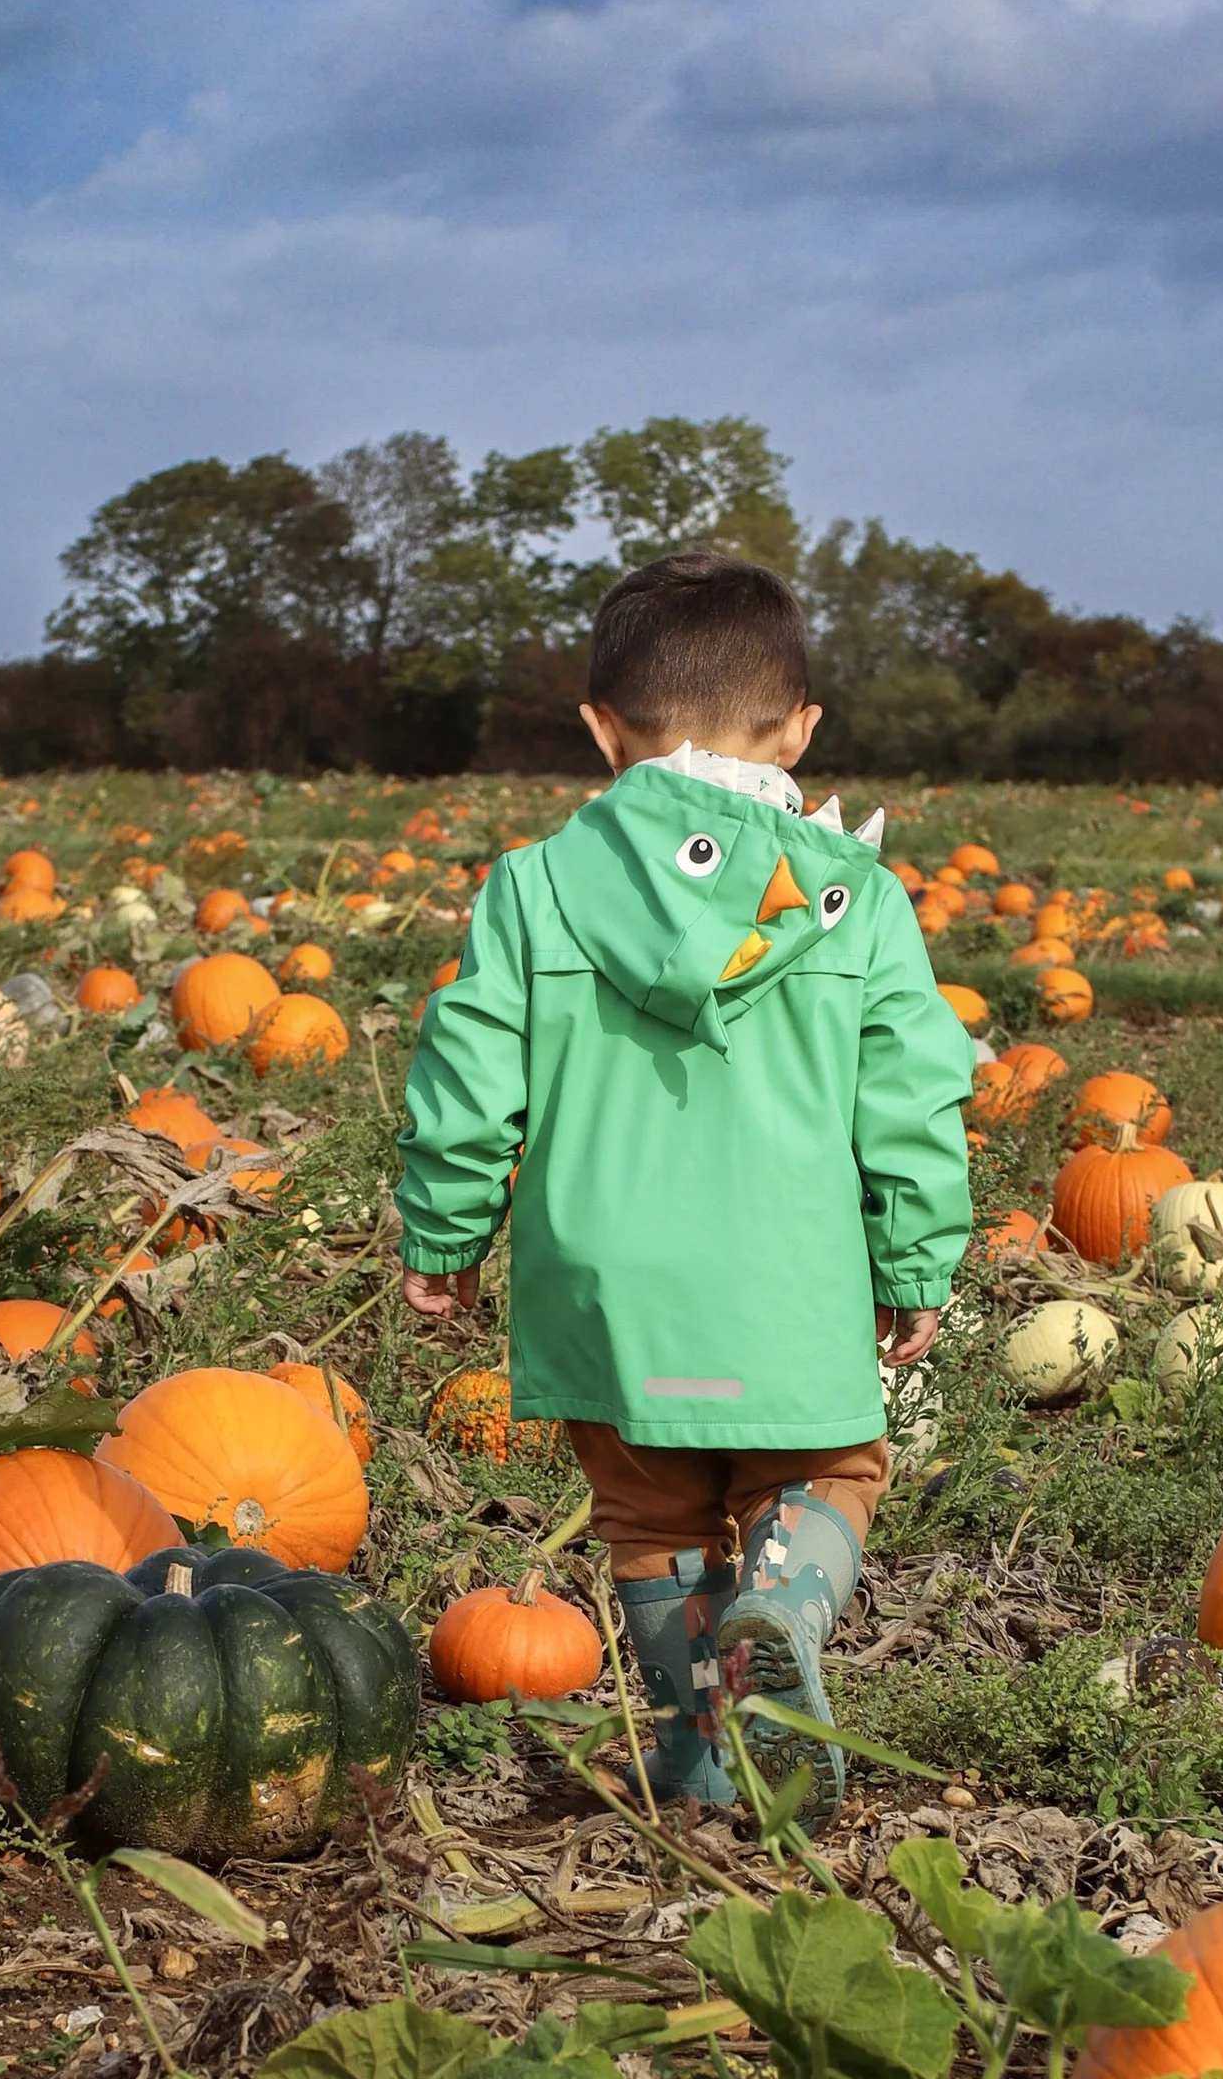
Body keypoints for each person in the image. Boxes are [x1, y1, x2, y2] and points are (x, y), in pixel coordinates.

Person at [396, 549, 974, 1828]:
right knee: (829, 1469)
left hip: (609, 1288)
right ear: (803, 728)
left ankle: (704, 1765)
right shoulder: (858, 901)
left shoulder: (534, 886)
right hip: (790, 1280)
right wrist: (915, 1258)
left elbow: (470, 1063)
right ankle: (782, 1605)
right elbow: (912, 1094)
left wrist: (443, 1233)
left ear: (601, 728)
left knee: (648, 1515)